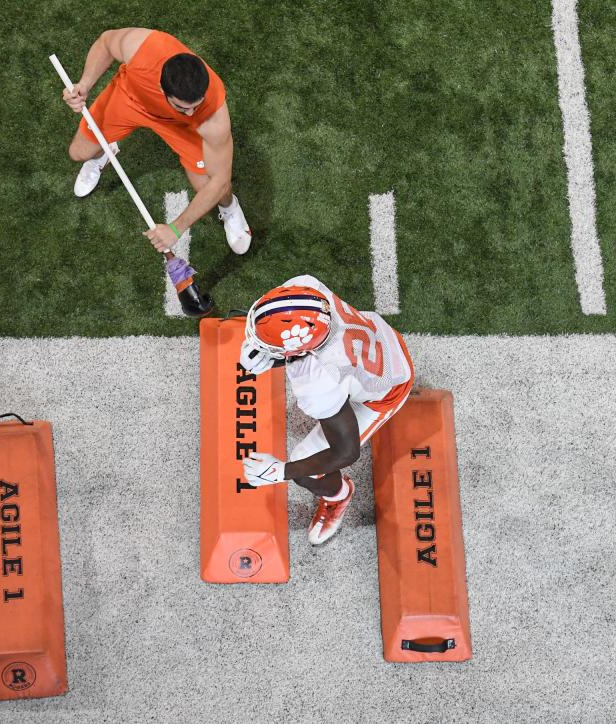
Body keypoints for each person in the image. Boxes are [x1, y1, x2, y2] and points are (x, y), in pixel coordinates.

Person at [238, 275, 415, 545]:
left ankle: (338, 496)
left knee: (307, 467)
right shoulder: (307, 288)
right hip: (382, 338)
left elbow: (346, 452)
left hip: (386, 389)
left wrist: (282, 471)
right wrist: (275, 353)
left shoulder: (318, 382)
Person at [61, 28, 252, 255]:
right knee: (79, 152)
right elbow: (105, 42)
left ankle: (230, 208)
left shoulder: (210, 117)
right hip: (132, 99)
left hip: (183, 128)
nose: (191, 112)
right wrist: (84, 85)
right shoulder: (141, 48)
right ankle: (104, 150)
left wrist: (176, 228)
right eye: (183, 106)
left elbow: (220, 180)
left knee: (211, 186)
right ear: (162, 88)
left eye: (196, 105)